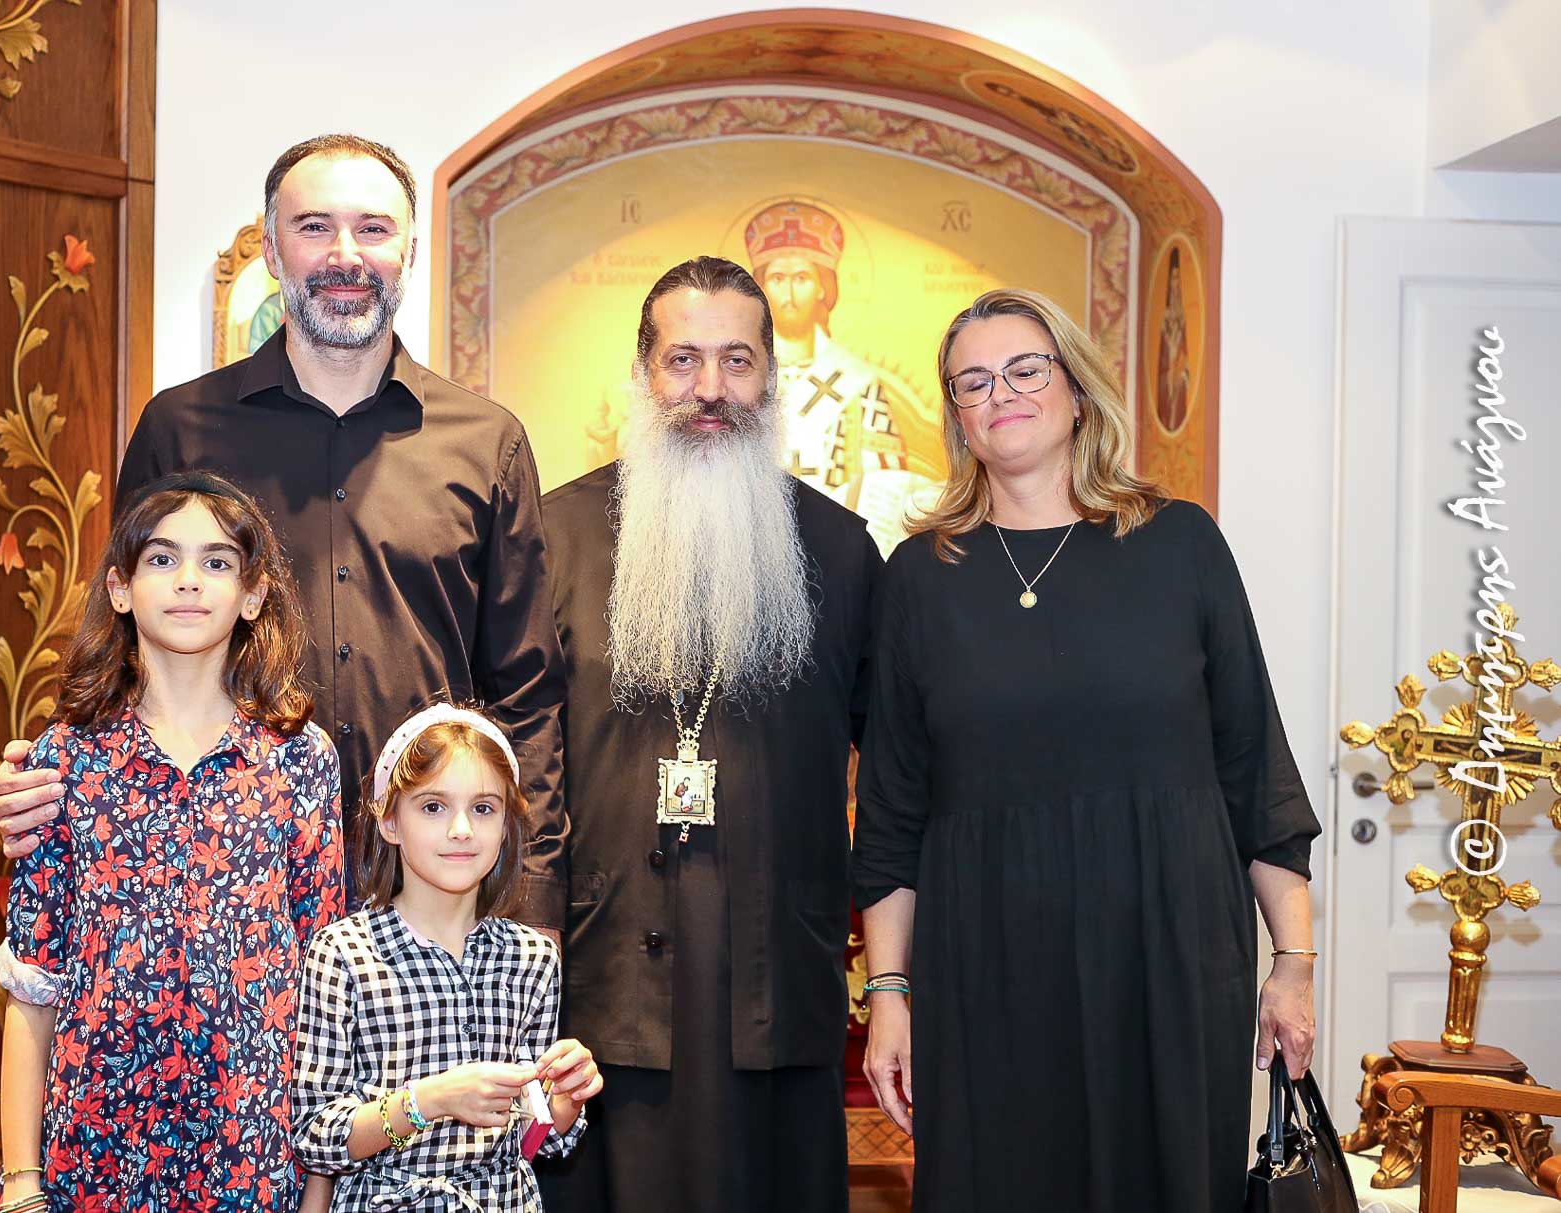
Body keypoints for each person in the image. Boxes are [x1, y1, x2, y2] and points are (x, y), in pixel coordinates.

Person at [0, 133, 566, 927]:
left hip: (432, 894)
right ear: (271, 247)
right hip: (224, 892)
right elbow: (122, 648)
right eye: (314, 226)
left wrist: (529, 902)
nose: (345, 254)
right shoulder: (181, 428)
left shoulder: (487, 443)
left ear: (409, 250)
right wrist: (47, 776)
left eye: (373, 228)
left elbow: (527, 692)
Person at [852, 288, 1320, 1212]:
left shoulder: (1180, 543)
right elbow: (893, 814)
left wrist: (1293, 963)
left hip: (1169, 953)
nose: (1001, 394)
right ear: (956, 416)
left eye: (1025, 369)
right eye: (973, 382)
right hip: (987, 966)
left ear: (1075, 389)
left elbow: (1254, 768)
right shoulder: (920, 577)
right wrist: (890, 994)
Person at [534, 256, 882, 1213]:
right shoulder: (556, 536)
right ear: (643, 373)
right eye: (682, 359)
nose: (710, 389)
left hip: (778, 971)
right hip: (600, 970)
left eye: (737, 360)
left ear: (770, 376)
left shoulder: (842, 550)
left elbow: (895, 772)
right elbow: (518, 762)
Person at [0, 471, 344, 1212]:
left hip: (252, 1152)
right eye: (161, 558)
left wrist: (318, 1192)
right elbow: (32, 984)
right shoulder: (65, 759)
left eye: (217, 561)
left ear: (253, 595)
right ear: (120, 588)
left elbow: (323, 996)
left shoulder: (301, 759)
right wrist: (22, 1181)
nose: (188, 580)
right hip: (95, 1148)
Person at [293, 704, 600, 1212]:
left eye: (483, 808)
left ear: (506, 825)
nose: (461, 829)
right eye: (433, 806)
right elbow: (315, 1137)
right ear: (390, 821)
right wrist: (428, 1100)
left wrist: (564, 1101)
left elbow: (534, 1142)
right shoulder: (344, 953)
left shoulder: (533, 958)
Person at [744, 199, 936, 551]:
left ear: (822, 286)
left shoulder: (857, 383)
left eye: (801, 278)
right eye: (778, 279)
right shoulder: (741, 380)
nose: (789, 294)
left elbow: (886, 486)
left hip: (839, 544)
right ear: (762, 288)